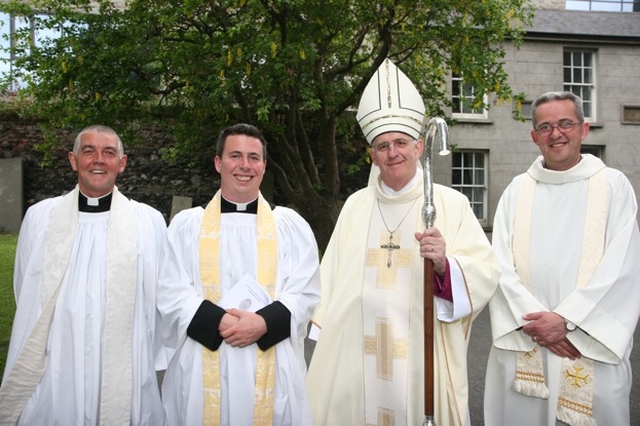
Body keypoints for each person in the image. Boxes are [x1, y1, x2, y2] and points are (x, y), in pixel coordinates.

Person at [305, 58, 500, 426]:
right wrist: (323, 328)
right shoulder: (355, 206)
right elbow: (330, 277)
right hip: (356, 351)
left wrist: (446, 265)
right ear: (372, 155)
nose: (392, 152)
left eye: (400, 142)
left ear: (419, 146)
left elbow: (486, 272)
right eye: (382, 145)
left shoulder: (448, 204)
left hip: (421, 350)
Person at [484, 91, 640, 426]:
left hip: (587, 344)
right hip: (527, 340)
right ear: (534, 136)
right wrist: (537, 325)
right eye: (546, 127)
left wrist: (566, 321)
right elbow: (498, 264)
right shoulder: (516, 191)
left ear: (583, 130)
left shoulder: (613, 186)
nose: (556, 134)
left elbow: (623, 266)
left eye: (565, 124)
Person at [0, 125, 167, 425]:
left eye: (108, 153)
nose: (98, 160)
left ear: (122, 163)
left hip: (123, 355)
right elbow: (25, 288)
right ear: (73, 160)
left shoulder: (148, 221)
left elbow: (157, 296)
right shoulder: (40, 217)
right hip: (58, 352)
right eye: (88, 151)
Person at [157, 123, 321, 425]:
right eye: (235, 156)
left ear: (264, 165)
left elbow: (306, 290)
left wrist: (262, 323)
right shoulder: (186, 226)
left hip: (272, 356)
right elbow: (170, 290)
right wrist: (218, 321)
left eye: (253, 157)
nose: (245, 166)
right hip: (203, 356)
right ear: (218, 162)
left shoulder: (290, 226)